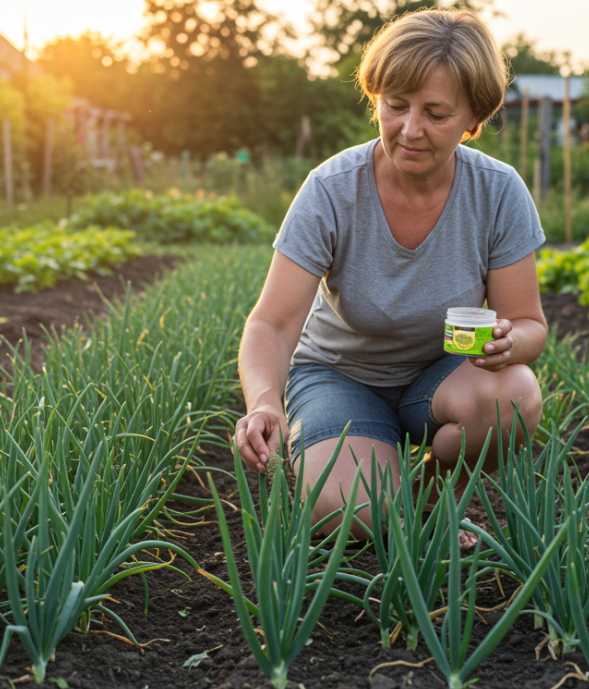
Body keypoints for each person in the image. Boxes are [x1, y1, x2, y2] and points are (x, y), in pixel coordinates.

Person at [232, 8, 548, 537]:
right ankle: (373, 482)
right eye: (395, 106)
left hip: (439, 376)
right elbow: (272, 323)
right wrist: (265, 402)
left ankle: (426, 498)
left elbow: (528, 323)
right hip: (339, 376)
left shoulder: (498, 191)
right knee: (352, 514)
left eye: (436, 113)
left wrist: (506, 344)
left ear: (474, 119)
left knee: (514, 396)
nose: (410, 129)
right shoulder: (332, 189)